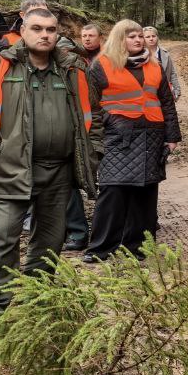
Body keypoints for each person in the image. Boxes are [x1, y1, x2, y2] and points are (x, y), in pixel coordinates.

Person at [0, 8, 99, 319]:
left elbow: (95, 114)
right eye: (37, 28)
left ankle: (37, 304)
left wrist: (94, 151)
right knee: (2, 238)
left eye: (51, 29)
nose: (45, 34)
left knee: (50, 239)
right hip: (9, 169)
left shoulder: (72, 69)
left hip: (58, 171)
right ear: (23, 31)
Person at [84, 19, 182, 263]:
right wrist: (104, 129)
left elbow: (167, 103)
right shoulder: (102, 65)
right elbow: (91, 106)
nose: (138, 40)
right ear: (120, 39)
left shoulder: (155, 66)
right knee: (112, 192)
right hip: (118, 137)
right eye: (131, 36)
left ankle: (135, 246)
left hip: (151, 136)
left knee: (145, 194)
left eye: (140, 36)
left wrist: (171, 136)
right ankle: (101, 248)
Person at [62, 22, 105, 252]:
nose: (87, 39)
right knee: (66, 185)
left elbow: (95, 108)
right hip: (61, 139)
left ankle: (99, 230)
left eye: (92, 35)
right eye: (84, 35)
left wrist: (96, 141)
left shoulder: (84, 69)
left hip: (89, 136)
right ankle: (77, 231)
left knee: (101, 184)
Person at [143, 26, 183, 102]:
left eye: (153, 36)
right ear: (143, 39)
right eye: (147, 37)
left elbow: (172, 73)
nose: (151, 39)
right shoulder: (140, 55)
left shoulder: (165, 53)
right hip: (148, 93)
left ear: (157, 37)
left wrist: (177, 90)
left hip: (165, 91)